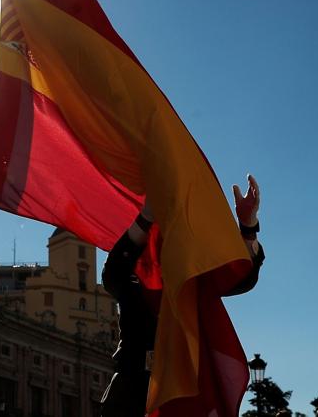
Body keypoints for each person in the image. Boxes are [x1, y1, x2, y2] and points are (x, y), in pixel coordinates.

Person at [99, 175, 267, 416]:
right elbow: (113, 274)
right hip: (135, 393)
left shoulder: (193, 282)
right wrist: (147, 216)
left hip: (186, 396)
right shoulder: (136, 276)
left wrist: (248, 228)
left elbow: (240, 278)